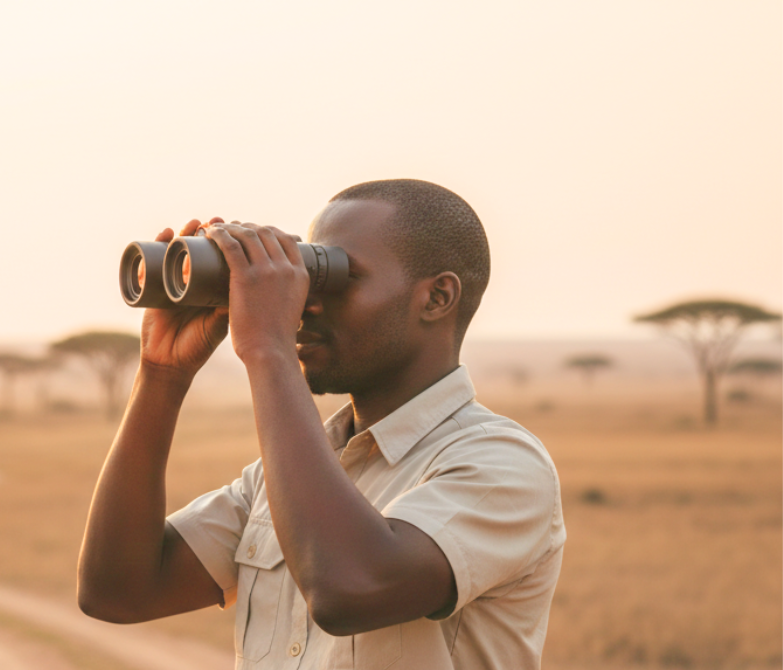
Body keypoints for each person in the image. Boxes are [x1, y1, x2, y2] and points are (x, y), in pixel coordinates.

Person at [78, 179, 565, 670]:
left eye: (334, 277)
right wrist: (162, 374)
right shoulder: (283, 479)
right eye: (305, 272)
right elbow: (117, 591)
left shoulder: (501, 465)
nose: (305, 302)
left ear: (437, 298)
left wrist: (267, 346)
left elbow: (349, 588)